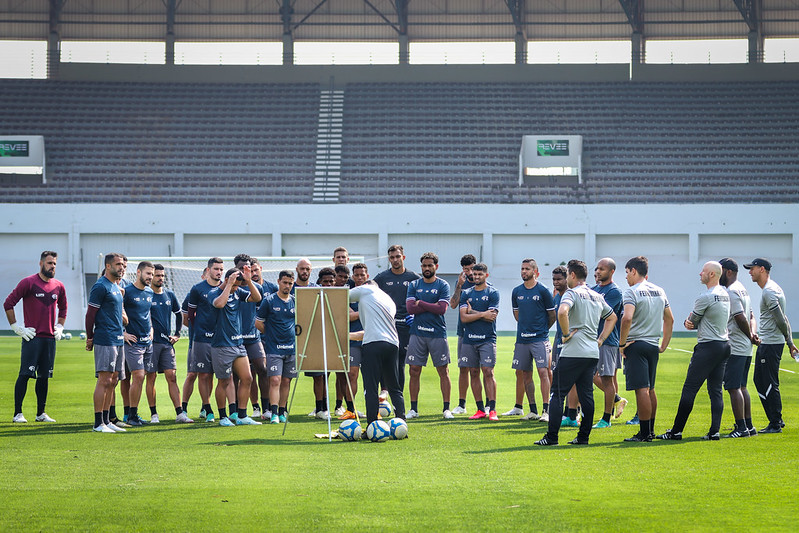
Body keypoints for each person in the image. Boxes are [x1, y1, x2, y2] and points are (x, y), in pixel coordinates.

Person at [535, 260, 617, 446]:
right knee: (587, 395)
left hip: (573, 351)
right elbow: (612, 317)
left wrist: (565, 334)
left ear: (572, 275)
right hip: (591, 352)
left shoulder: (571, 293)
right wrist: (601, 339)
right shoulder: (596, 295)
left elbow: (562, 312)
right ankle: (583, 438)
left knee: (557, 394)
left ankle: (552, 438)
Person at [658, 261, 731, 441]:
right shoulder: (725, 294)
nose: (700, 274)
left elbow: (692, 322)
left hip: (707, 346)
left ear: (712, 274)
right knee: (715, 390)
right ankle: (714, 431)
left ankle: (676, 431)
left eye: (703, 271)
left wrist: (687, 322)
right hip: (724, 345)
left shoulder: (705, 297)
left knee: (690, 388)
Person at [4, 250, 67, 423]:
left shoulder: (59, 286)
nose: (52, 266)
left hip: (49, 339)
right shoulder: (28, 283)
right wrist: (17, 328)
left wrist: (60, 326)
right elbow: (8, 303)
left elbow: (63, 308)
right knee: (25, 374)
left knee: (44, 377)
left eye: (54, 263)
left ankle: (41, 413)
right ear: (41, 264)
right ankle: (18, 413)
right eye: (49, 263)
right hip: (32, 338)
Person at [619, 256, 674, 442]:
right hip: (652, 345)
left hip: (636, 344)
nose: (626, 277)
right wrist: (663, 345)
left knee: (641, 390)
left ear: (634, 271)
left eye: (627, 273)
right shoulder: (660, 291)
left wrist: (621, 344)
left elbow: (626, 319)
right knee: (651, 389)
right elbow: (670, 319)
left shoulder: (631, 292)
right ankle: (649, 430)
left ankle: (644, 433)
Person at [746, 257, 798, 433]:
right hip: (769, 343)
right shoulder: (773, 288)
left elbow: (781, 320)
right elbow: (784, 318)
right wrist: (790, 343)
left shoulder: (769, 291)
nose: (749, 272)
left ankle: (775, 423)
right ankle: (776, 419)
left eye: (752, 268)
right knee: (760, 381)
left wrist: (789, 341)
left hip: (770, 344)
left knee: (768, 383)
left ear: (762, 269)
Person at [209, 266, 262, 426]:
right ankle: (223, 416)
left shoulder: (238, 292)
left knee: (247, 378)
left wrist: (248, 281)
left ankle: (242, 415)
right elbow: (219, 304)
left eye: (238, 286)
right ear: (226, 281)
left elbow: (257, 297)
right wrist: (228, 285)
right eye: (233, 285)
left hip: (239, 344)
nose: (236, 289)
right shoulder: (215, 293)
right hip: (222, 346)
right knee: (224, 382)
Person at [349, 280, 406, 426]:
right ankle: (402, 423)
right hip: (392, 344)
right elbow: (373, 331)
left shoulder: (366, 289)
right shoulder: (388, 299)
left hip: (373, 345)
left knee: (371, 387)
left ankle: (372, 425)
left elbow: (340, 297)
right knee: (394, 387)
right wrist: (348, 335)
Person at [506, 258, 555, 422]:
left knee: (543, 372)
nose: (523, 272)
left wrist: (541, 330)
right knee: (525, 374)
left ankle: (546, 411)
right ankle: (532, 410)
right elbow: (517, 315)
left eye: (527, 269)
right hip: (522, 340)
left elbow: (552, 315)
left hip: (540, 339)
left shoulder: (543, 290)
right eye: (522, 269)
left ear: (535, 271)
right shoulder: (516, 291)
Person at [405, 252, 452, 419]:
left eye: (430, 265)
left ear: (436, 267)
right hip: (417, 333)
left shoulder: (443, 285)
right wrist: (431, 305)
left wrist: (422, 303)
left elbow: (442, 309)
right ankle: (413, 409)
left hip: (437, 333)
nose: (426, 268)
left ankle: (446, 408)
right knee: (414, 370)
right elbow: (410, 309)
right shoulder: (414, 284)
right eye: (424, 266)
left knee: (443, 370)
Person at [86, 253, 127, 433]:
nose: (122, 268)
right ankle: (98, 423)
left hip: (118, 338)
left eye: (123, 265)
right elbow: (90, 315)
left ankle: (107, 419)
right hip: (105, 338)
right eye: (118, 265)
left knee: (114, 380)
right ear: (108, 266)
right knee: (104, 379)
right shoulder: (100, 286)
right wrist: (89, 337)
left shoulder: (116, 286)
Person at [148, 263, 192, 423]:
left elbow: (179, 315)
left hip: (167, 344)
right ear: (151, 276)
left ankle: (180, 413)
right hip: (151, 344)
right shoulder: (146, 294)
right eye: (157, 275)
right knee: (151, 377)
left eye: (162, 276)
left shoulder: (169, 294)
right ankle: (154, 415)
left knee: (171, 377)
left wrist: (177, 334)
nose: (160, 278)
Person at [374, 245, 420, 397]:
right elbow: (371, 295)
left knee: (400, 363)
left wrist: (415, 315)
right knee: (384, 360)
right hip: (386, 326)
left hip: (405, 326)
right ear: (389, 259)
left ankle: (397, 396)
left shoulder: (414, 278)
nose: (395, 260)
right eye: (392, 257)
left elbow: (422, 300)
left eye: (397, 256)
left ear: (403, 257)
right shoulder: (381, 278)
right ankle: (384, 392)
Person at [718, 258, 757, 437]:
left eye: (720, 271)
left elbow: (741, 317)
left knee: (733, 387)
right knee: (742, 386)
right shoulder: (743, 289)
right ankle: (749, 426)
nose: (718, 276)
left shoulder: (732, 291)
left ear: (728, 272)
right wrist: (753, 335)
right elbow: (751, 316)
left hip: (736, 345)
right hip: (746, 346)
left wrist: (749, 335)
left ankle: (741, 428)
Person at [459, 263, 501, 421]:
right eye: (474, 274)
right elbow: (464, 318)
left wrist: (473, 312)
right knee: (474, 373)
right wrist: (482, 314)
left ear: (486, 276)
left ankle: (493, 410)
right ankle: (480, 409)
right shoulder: (466, 293)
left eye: (479, 274)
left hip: (487, 339)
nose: (476, 277)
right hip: (469, 340)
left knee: (488, 372)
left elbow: (492, 317)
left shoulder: (493, 292)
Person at [256, 270, 297, 424]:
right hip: (274, 348)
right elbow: (258, 322)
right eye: (285, 282)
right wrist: (271, 334)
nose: (287, 286)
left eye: (290, 283)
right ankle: (273, 413)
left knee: (286, 381)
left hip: (291, 348)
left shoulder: (295, 301)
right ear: (278, 282)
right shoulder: (269, 301)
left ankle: (282, 411)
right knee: (275, 380)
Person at [591, 258, 628, 428]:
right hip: (593, 339)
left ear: (612, 271)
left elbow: (601, 313)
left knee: (606, 379)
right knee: (605, 379)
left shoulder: (614, 291)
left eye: (602, 269)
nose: (598, 272)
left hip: (607, 340)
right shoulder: (594, 289)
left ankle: (606, 419)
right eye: (597, 269)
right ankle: (616, 402)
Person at [187, 257, 225, 422]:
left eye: (221, 269)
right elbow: (190, 314)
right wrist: (198, 331)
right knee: (203, 375)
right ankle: (207, 409)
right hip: (202, 338)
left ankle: (227, 411)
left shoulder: (226, 288)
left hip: (222, 339)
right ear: (208, 270)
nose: (219, 272)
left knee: (223, 377)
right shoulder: (197, 289)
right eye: (216, 269)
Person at [233, 254, 269, 420]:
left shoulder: (256, 287)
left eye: (247, 267)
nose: (245, 270)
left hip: (253, 337)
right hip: (234, 339)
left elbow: (261, 311)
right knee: (235, 375)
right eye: (241, 267)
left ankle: (266, 408)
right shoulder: (230, 286)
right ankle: (235, 411)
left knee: (262, 369)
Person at [121, 261, 155, 426]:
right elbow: (114, 312)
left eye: (152, 274)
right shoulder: (126, 292)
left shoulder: (149, 292)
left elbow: (146, 314)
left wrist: (151, 329)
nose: (150, 277)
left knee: (140, 378)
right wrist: (123, 333)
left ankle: (131, 414)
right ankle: (131, 415)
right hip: (132, 343)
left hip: (147, 341)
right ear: (139, 272)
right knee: (138, 376)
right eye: (148, 273)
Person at [339, 262, 369, 420]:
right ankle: (351, 409)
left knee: (371, 375)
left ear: (367, 276)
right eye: (356, 275)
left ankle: (373, 408)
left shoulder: (373, 294)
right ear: (353, 276)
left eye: (362, 275)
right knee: (351, 374)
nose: (359, 277)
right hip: (352, 340)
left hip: (370, 339)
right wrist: (364, 312)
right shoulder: (347, 295)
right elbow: (347, 316)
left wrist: (356, 312)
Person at [450, 254, 478, 415]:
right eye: (465, 269)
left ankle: (487, 405)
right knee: (463, 368)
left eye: (471, 268)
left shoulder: (485, 284)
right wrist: (459, 286)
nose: (469, 272)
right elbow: (453, 305)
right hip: (464, 333)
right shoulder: (460, 283)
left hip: (482, 334)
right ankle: (461, 404)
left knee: (482, 370)